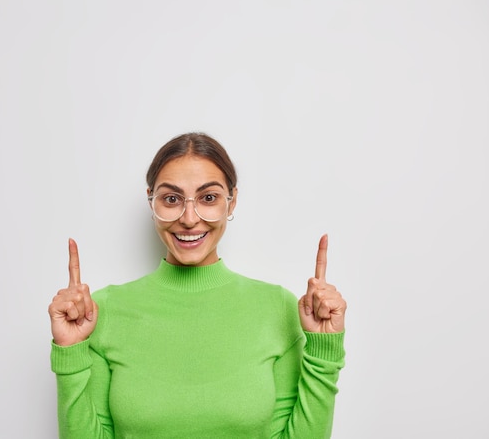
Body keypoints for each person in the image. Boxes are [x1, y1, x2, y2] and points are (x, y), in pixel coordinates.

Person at [48, 132, 347, 439]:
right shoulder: (103, 310)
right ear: (151, 201)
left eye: (208, 198)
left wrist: (324, 353)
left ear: (231, 203)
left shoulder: (278, 308)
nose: (189, 219)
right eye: (171, 199)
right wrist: (70, 354)